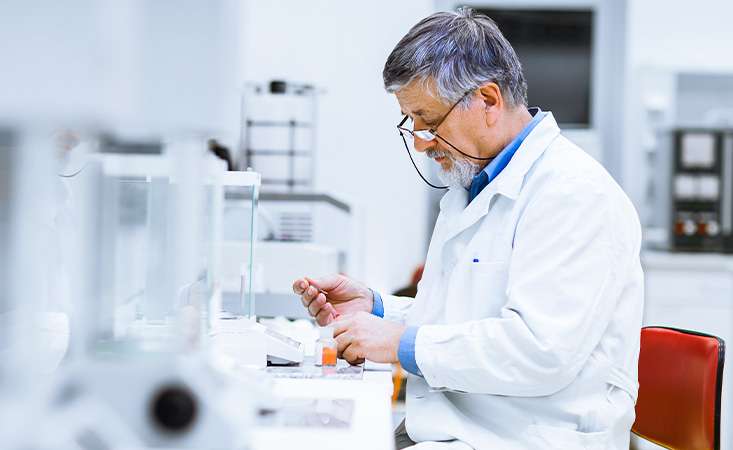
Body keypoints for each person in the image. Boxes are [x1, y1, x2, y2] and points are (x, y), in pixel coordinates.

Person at [293, 8, 643, 450]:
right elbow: (463, 319)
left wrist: (400, 343)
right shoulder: (470, 188)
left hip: (529, 438)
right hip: (460, 428)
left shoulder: (573, 195)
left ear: (489, 101)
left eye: (430, 121)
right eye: (412, 124)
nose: (421, 142)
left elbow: (539, 351)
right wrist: (378, 308)